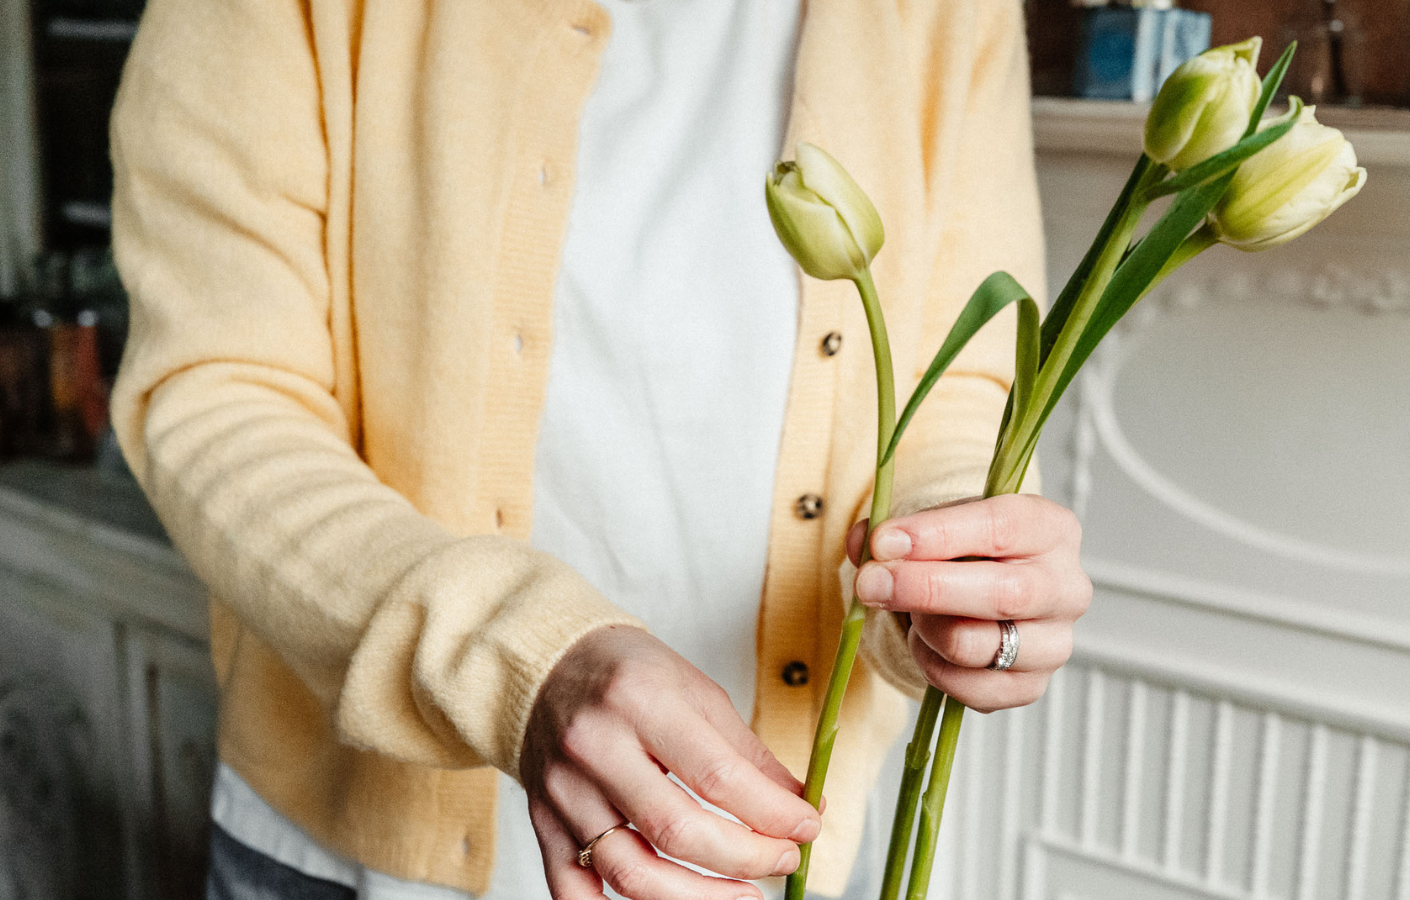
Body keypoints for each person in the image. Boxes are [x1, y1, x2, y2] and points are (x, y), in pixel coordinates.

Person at [108, 1, 1091, 898]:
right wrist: (517, 658)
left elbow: (959, 386)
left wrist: (950, 557)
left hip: (777, 855)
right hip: (353, 859)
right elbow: (216, 391)